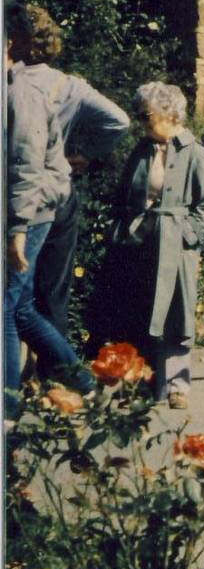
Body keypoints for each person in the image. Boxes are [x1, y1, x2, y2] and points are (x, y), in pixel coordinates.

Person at [7, 4, 131, 339]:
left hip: (23, 198)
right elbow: (119, 121)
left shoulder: (13, 82)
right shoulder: (69, 87)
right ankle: (56, 370)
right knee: (52, 296)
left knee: (14, 300)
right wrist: (83, 153)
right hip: (59, 194)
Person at [106, 83, 204, 408]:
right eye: (140, 115)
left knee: (176, 316)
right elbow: (124, 196)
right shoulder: (142, 150)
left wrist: (185, 235)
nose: (141, 122)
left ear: (169, 114)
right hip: (140, 245)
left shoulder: (195, 153)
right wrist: (124, 230)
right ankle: (143, 387)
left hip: (176, 248)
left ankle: (177, 387)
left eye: (147, 115)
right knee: (140, 313)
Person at [5, 40, 97, 416]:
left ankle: (7, 411)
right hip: (20, 213)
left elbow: (26, 169)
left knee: (5, 307)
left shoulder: (21, 95)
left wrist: (17, 230)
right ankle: (85, 382)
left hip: (28, 215)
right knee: (21, 308)